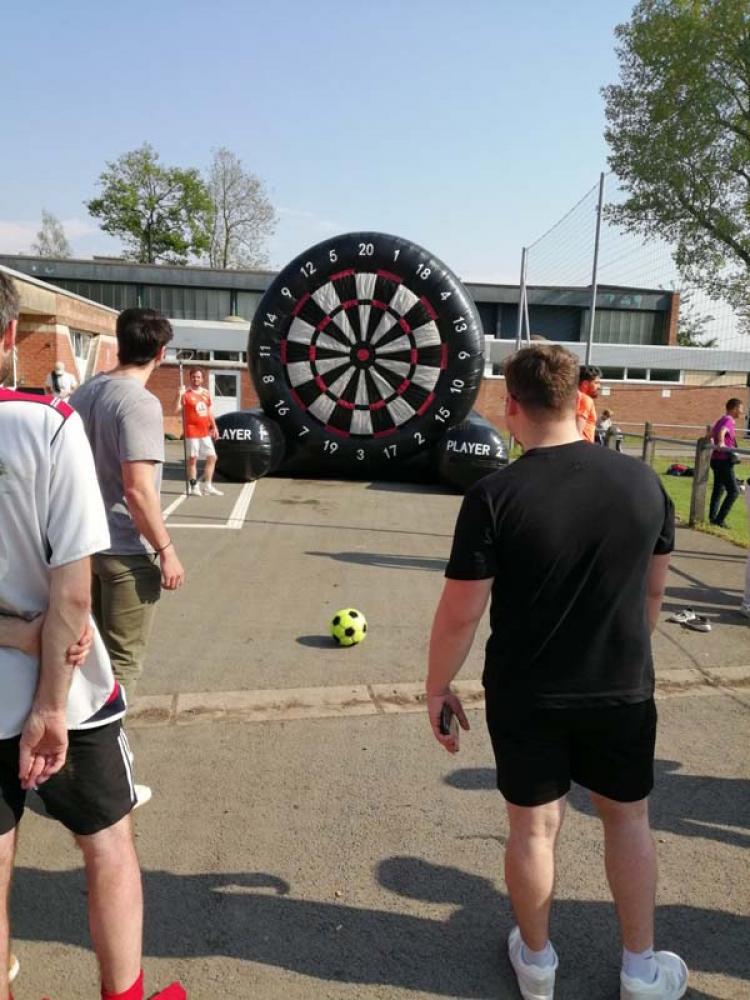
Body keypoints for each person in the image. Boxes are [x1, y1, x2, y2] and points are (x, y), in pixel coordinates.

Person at [426, 344, 686, 1000]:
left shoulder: (494, 495)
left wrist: (437, 685)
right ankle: (639, 968)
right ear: (579, 400)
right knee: (628, 819)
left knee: (534, 827)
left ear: (511, 406)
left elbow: (461, 613)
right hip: (621, 687)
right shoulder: (644, 483)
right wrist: (621, 651)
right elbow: (652, 596)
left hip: (526, 691)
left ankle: (537, 964)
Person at [0, 273, 184, 1000]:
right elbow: (69, 592)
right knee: (108, 840)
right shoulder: (43, 421)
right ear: (11, 336)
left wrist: (14, 634)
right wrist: (44, 688)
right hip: (64, 695)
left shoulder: (76, 401)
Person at [71, 308, 185, 714]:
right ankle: (105, 764)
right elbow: (138, 490)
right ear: (162, 352)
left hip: (83, 545)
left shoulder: (85, 392)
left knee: (88, 660)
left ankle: (78, 755)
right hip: (125, 551)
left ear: (121, 343)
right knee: (121, 667)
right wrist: (166, 549)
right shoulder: (139, 403)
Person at [175, 368, 223, 496]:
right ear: (190, 378)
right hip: (191, 431)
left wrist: (214, 427)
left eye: (198, 377)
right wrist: (179, 394)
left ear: (202, 379)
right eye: (193, 377)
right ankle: (193, 486)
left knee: (212, 457)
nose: (196, 379)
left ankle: (207, 486)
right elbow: (176, 409)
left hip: (205, 431)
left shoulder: (206, 393)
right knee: (192, 459)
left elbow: (209, 412)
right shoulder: (186, 393)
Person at [708, 397, 745, 528]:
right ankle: (719, 520)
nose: (742, 411)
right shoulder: (729, 420)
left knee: (718, 489)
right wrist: (721, 442)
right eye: (741, 409)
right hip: (723, 461)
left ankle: (713, 518)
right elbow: (722, 431)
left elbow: (711, 433)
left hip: (716, 460)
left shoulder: (721, 419)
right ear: (734, 408)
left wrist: (708, 441)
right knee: (734, 491)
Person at [576, 364, 601, 443]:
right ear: (585, 384)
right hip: (581, 449)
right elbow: (577, 433)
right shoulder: (585, 400)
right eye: (596, 383)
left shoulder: (571, 398)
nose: (599, 386)